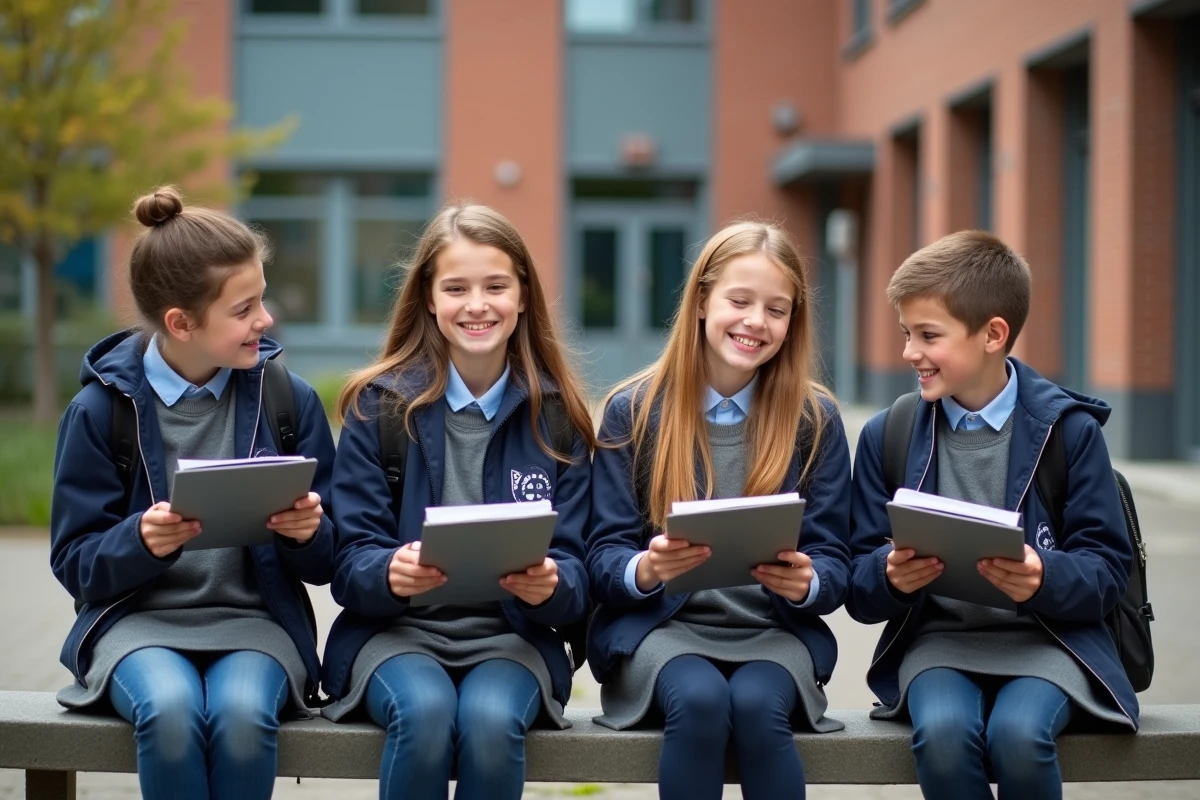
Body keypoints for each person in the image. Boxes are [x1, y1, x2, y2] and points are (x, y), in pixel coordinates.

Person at [50, 187, 337, 800]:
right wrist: (140, 541)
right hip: (135, 624)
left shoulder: (289, 402)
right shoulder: (100, 413)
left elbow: (329, 563)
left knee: (238, 717)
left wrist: (309, 533)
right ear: (181, 323)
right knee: (172, 711)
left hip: (257, 624)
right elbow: (75, 564)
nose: (265, 320)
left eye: (261, 298)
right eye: (244, 309)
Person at [847, 230, 1138, 800]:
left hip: (1050, 643)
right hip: (938, 644)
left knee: (1020, 735)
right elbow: (857, 585)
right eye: (907, 333)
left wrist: (1042, 576)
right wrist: (888, 574)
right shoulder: (891, 434)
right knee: (946, 735)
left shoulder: (1070, 432)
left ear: (993, 334)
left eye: (928, 335)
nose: (909, 353)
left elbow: (1108, 572)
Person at [322, 202, 596, 800]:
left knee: (491, 723)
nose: (477, 304)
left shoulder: (559, 419)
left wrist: (552, 585)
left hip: (514, 639)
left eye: (496, 286)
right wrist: (389, 572)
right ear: (428, 298)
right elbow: (347, 562)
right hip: (395, 636)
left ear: (523, 296)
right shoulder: (380, 408)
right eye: (456, 288)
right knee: (423, 715)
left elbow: (579, 569)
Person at [585, 221, 852, 800]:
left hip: (772, 632)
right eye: (740, 300)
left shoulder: (815, 420)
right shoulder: (633, 411)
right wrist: (646, 570)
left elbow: (835, 558)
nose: (757, 321)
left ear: (792, 322)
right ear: (702, 300)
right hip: (664, 630)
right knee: (702, 701)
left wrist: (810, 582)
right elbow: (602, 553)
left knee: (757, 705)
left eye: (776, 309)